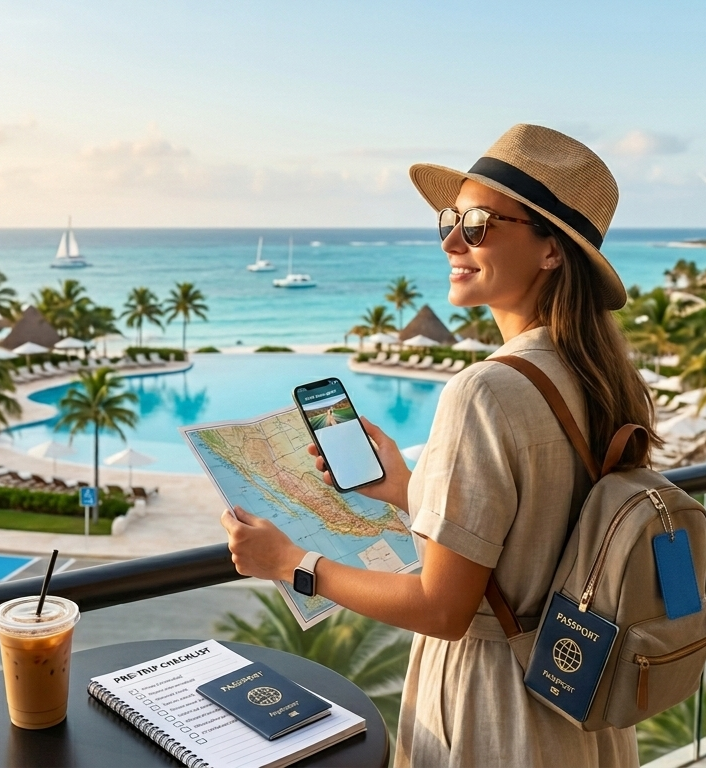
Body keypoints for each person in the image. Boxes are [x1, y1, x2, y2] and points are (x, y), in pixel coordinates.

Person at [221, 124, 654, 767]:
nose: (452, 239)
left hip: (497, 714)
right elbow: (543, 528)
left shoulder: (485, 391)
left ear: (551, 252)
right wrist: (404, 487)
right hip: (581, 702)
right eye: (451, 220)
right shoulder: (601, 377)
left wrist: (291, 564)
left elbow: (443, 607)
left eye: (479, 223)